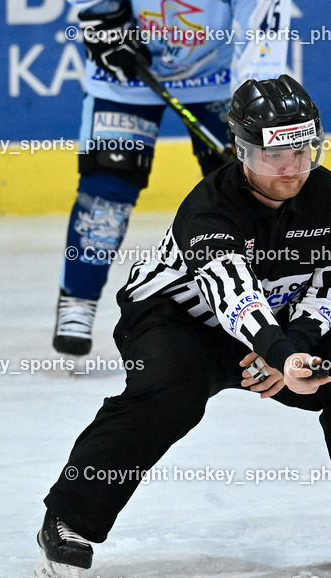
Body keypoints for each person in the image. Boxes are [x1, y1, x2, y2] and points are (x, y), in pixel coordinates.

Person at [38, 75, 331, 578]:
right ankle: (69, 518)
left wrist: (298, 352)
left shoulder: (326, 192)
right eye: (275, 154)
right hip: (175, 320)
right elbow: (234, 299)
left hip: (278, 326)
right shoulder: (208, 209)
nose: (293, 167)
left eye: (303, 148)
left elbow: (328, 290)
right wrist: (281, 355)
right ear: (243, 153)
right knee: (168, 393)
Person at [54, 0, 291, 355]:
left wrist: (253, 112)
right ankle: (78, 298)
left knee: (244, 190)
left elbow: (261, 38)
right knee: (108, 185)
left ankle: (256, 305)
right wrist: (99, 14)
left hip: (218, 74)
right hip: (127, 67)